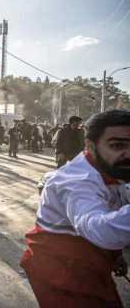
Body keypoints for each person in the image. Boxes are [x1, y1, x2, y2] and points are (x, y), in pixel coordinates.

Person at [20, 109, 130, 307]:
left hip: (91, 263)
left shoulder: (111, 168)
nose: (128, 153)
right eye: (117, 145)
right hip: (62, 273)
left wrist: (115, 255)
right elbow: (98, 226)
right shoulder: (77, 183)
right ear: (91, 145)